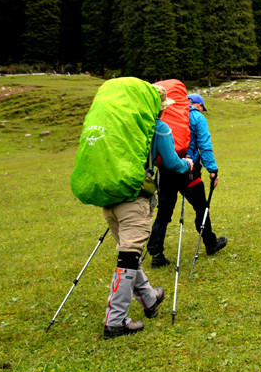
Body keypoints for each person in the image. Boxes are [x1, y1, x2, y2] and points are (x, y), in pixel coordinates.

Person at [70, 78, 192, 340]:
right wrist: (188, 164)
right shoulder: (157, 128)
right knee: (128, 259)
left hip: (110, 202)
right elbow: (172, 163)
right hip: (136, 202)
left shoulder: (123, 129)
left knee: (131, 256)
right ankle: (115, 321)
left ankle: (149, 299)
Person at [148, 92, 227, 267]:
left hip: (165, 169)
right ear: (198, 104)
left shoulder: (167, 113)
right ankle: (210, 244)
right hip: (188, 170)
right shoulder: (197, 117)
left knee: (164, 212)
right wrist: (212, 170)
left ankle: (156, 253)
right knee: (201, 207)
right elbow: (204, 145)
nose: (201, 110)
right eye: (202, 108)